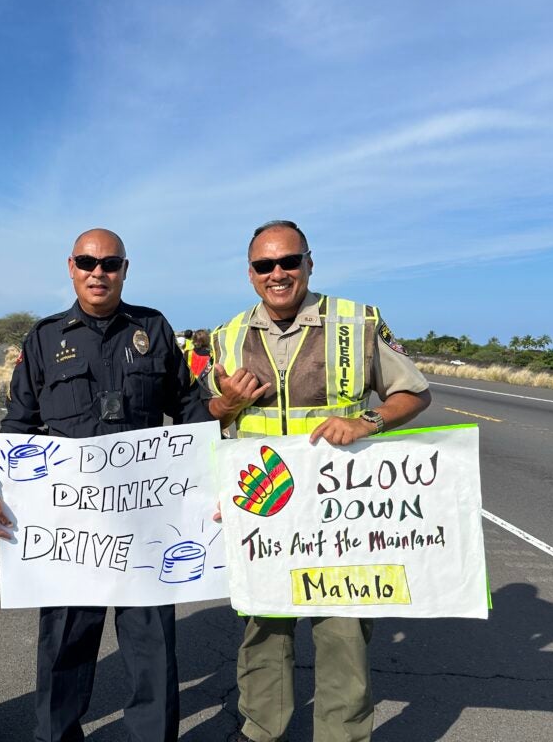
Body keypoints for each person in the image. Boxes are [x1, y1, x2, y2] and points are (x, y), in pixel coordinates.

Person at [0, 228, 215, 742]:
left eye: (110, 263)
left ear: (125, 269)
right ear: (71, 267)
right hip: (71, 529)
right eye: (88, 262)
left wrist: (213, 482)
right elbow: (18, 424)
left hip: (145, 525)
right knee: (63, 646)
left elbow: (191, 412)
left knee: (151, 649)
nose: (98, 272)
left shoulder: (153, 328)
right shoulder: (43, 338)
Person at [205, 220, 432, 742]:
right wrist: (227, 404)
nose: (278, 273)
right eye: (265, 265)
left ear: (309, 262)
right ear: (251, 274)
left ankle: (343, 736)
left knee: (342, 637)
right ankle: (261, 731)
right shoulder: (226, 336)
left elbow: (414, 393)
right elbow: (207, 419)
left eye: (289, 261)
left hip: (339, 515)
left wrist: (367, 422)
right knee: (262, 634)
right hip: (263, 512)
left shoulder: (358, 322)